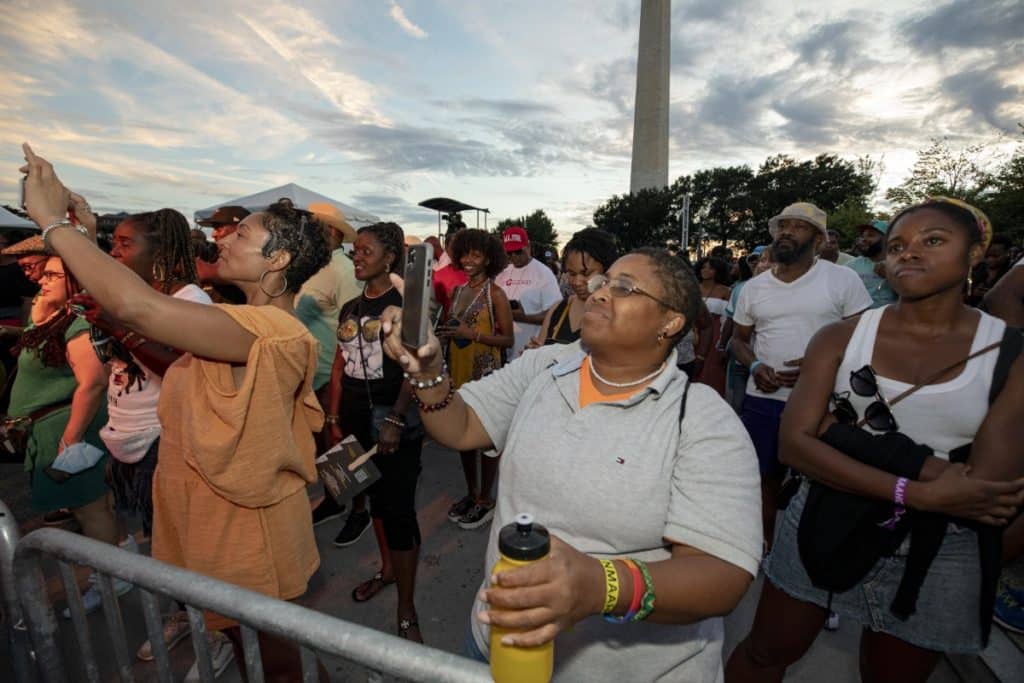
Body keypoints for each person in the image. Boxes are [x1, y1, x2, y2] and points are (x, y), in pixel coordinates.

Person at [22, 143, 330, 682]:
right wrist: (89, 231)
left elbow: (138, 307)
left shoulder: (277, 331)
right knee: (248, 638)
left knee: (280, 657)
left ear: (277, 261)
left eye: (241, 235)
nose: (222, 237)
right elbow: (141, 301)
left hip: (248, 524)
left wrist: (52, 224)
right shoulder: (237, 317)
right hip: (209, 513)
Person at [381, 247, 762, 681]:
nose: (599, 294)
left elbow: (721, 575)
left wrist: (599, 586)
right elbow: (461, 426)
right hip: (496, 644)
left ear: (670, 322)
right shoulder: (547, 366)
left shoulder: (700, 419)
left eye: (623, 288)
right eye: (603, 283)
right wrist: (429, 371)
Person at [726, 197, 1024, 683]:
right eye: (898, 245)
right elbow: (796, 446)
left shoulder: (1009, 354)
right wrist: (922, 486)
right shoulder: (840, 339)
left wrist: (833, 433)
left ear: (975, 254)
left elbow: (982, 492)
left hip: (937, 547)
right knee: (764, 652)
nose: (908, 254)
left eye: (933, 241)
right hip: (824, 519)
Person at [731, 202, 872, 547]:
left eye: (799, 227)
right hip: (764, 398)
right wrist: (753, 366)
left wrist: (819, 366)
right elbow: (738, 340)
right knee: (763, 475)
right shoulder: (755, 287)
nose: (787, 232)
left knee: (822, 478)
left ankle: (808, 547)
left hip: (825, 403)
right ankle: (763, 543)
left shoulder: (843, 279)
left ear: (819, 239)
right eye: (783, 226)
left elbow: (866, 337)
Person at [323, 222, 427, 642]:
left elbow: (417, 363)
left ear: (389, 257)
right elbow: (338, 364)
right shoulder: (349, 307)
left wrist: (397, 417)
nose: (357, 256)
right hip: (351, 413)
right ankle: (386, 571)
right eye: (354, 250)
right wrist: (332, 419)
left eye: (366, 250)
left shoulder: (407, 302)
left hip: (392, 416)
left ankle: (407, 607)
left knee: (398, 510)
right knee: (368, 498)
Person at [437, 229, 514, 530]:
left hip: (485, 373)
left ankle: (485, 499)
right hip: (459, 370)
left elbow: (507, 340)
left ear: (489, 259)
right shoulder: (457, 292)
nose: (468, 260)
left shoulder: (496, 294)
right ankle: (471, 493)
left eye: (476, 255)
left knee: (485, 439)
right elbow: (452, 326)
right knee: (462, 438)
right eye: (465, 253)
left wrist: (472, 335)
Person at [530, 228, 618, 347]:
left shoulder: (619, 313)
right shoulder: (558, 310)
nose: (577, 282)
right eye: (571, 273)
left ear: (608, 270)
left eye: (586, 274)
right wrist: (535, 355)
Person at [496, 226, 562, 360]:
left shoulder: (544, 274)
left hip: (530, 354)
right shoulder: (503, 274)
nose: (514, 257)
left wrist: (518, 316)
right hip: (504, 353)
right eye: (509, 253)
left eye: (518, 251)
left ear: (528, 246)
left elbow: (555, 315)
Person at [720, 251, 761, 414]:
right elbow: (731, 320)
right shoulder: (741, 288)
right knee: (738, 403)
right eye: (753, 260)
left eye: (764, 259)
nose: (759, 264)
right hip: (742, 359)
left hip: (769, 362)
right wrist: (722, 345)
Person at [694, 256, 732, 397]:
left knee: (712, 371)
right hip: (693, 333)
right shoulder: (693, 288)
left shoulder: (726, 291)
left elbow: (729, 319)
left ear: (717, 271)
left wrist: (722, 343)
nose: (706, 270)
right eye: (703, 267)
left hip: (716, 334)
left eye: (710, 267)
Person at [846, 219, 897, 308]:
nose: (864, 239)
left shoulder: (900, 264)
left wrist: (891, 277)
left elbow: (913, 295)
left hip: (892, 319)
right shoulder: (850, 267)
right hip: (859, 319)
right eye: (863, 236)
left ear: (886, 239)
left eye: (871, 235)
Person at [968, 233, 1013, 306]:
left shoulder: (1013, 274)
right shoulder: (975, 269)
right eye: (987, 255)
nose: (990, 259)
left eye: (995, 256)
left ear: (1007, 253)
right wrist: (972, 293)